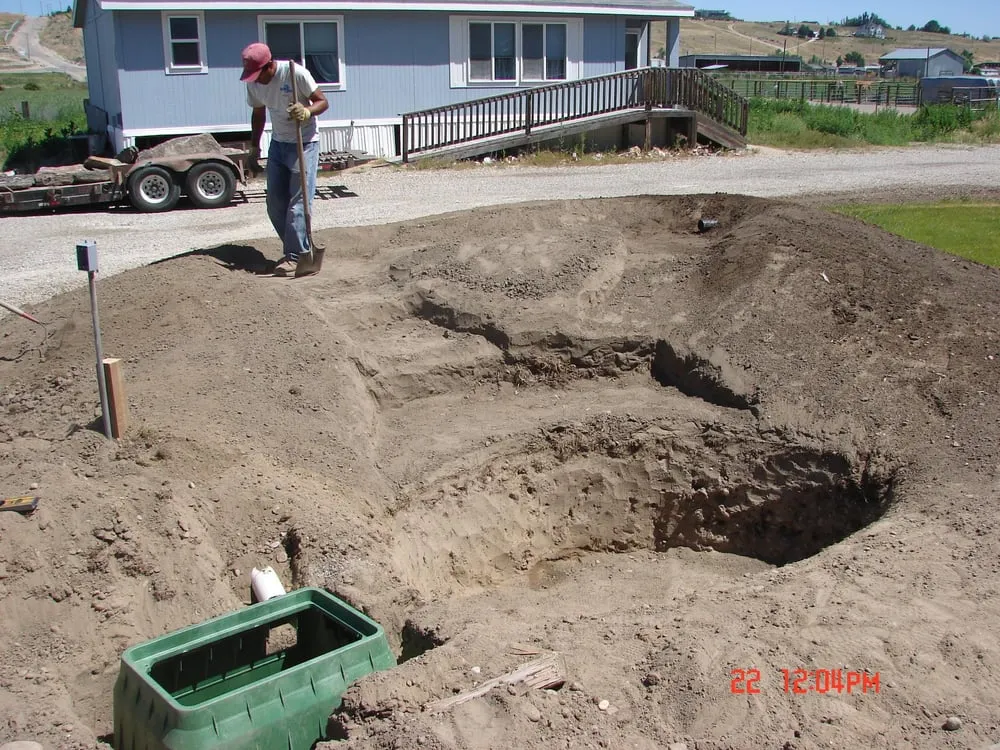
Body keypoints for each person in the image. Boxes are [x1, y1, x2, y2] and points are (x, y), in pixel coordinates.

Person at [240, 42, 329, 273]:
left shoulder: (296, 74)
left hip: (305, 142)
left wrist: (307, 110)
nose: (255, 80)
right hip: (278, 144)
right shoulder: (254, 84)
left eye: (258, 74)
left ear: (270, 65)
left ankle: (295, 255)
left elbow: (323, 101)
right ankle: (297, 247)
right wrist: (253, 148)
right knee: (275, 204)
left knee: (298, 203)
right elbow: (258, 114)